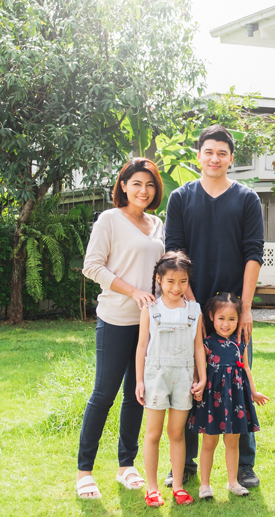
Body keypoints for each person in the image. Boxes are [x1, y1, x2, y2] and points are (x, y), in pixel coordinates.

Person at [164, 124, 265, 488]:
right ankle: (186, 463)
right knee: (192, 384)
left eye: (222, 152)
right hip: (190, 307)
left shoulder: (247, 199)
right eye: (209, 151)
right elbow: (174, 252)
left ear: (231, 158)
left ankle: (244, 467)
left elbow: (254, 254)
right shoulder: (180, 198)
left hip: (231, 314)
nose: (215, 158)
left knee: (236, 381)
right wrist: (191, 305)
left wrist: (246, 309)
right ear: (199, 156)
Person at [76, 158, 165, 500]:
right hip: (115, 319)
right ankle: (85, 472)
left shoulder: (158, 224)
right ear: (124, 186)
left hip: (149, 325)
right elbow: (92, 266)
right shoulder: (109, 220)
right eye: (137, 183)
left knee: (136, 395)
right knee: (104, 394)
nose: (144, 190)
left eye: (150, 185)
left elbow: (163, 269)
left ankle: (126, 465)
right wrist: (133, 291)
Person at [135, 251, 207, 507]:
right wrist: (139, 381)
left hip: (184, 378)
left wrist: (202, 378)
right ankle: (152, 487)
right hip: (156, 377)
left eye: (183, 282)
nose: (177, 288)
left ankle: (178, 485)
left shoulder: (194, 310)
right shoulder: (150, 309)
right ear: (159, 279)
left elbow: (199, 347)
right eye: (170, 282)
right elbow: (142, 347)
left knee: (177, 433)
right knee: (153, 434)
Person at [188, 293, 268, 498]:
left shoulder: (240, 342)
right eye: (221, 318)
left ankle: (233, 482)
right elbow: (199, 366)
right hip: (212, 398)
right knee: (209, 443)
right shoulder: (206, 342)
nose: (226, 324)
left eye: (232, 319)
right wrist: (197, 383)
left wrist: (254, 391)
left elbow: (246, 369)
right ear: (212, 317)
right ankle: (204, 485)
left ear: (238, 320)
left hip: (236, 400)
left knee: (232, 443)